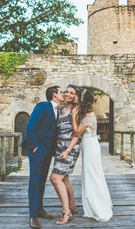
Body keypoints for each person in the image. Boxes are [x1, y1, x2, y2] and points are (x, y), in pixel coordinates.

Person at [20, 85, 64, 229]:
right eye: (61, 92)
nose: (63, 94)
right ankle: (33, 215)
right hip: (38, 150)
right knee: (35, 181)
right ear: (54, 95)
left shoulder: (58, 110)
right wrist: (34, 146)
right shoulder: (43, 106)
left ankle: (39, 209)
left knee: (42, 181)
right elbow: (31, 126)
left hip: (48, 151)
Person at [72, 89, 113, 222]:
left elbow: (77, 132)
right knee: (89, 175)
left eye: (76, 95)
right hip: (88, 145)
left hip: (91, 146)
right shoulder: (84, 113)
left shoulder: (89, 115)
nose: (75, 97)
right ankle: (90, 207)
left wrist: (73, 116)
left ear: (82, 99)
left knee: (92, 175)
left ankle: (99, 208)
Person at [50, 84, 81, 225]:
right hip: (59, 147)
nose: (68, 94)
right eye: (66, 92)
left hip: (70, 148)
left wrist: (68, 151)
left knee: (55, 178)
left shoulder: (76, 111)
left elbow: (77, 134)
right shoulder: (61, 109)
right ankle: (73, 206)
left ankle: (66, 211)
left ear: (76, 96)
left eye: (71, 93)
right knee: (65, 179)